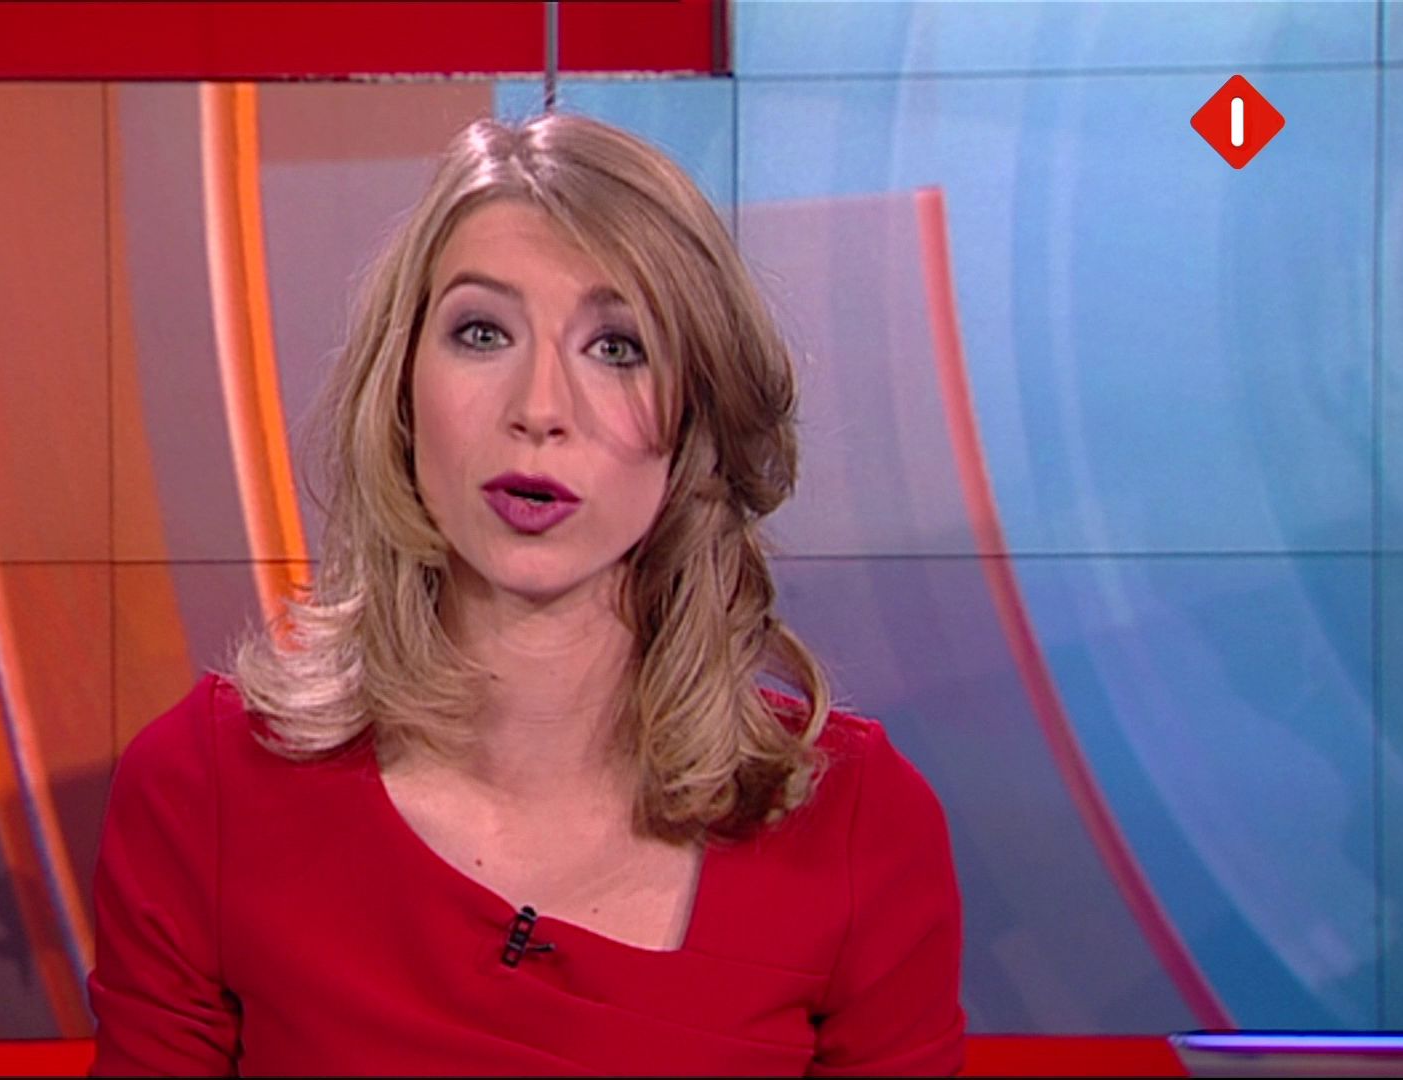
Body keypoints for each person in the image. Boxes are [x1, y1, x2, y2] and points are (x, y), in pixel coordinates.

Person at [88, 110, 964, 1076]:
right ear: (402, 391)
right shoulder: (207, 792)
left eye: (617, 347)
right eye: (482, 332)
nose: (540, 410)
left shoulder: (857, 829)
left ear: (697, 415)